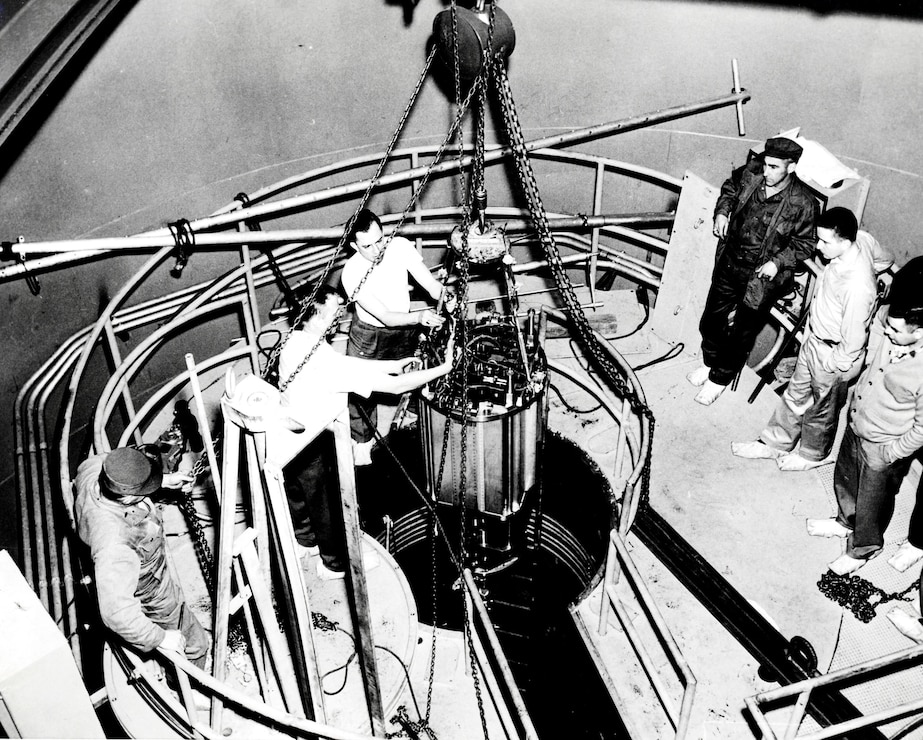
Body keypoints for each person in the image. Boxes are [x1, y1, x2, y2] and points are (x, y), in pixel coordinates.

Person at [279, 283, 454, 580]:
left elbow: (347, 364)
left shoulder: (299, 341)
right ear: (317, 316)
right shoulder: (316, 358)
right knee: (330, 503)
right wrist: (443, 369)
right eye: (335, 312)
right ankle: (334, 565)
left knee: (302, 496)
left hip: (290, 438)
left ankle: (305, 543)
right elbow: (395, 388)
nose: (338, 319)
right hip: (315, 441)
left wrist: (394, 364)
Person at [732, 208, 877, 470]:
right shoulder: (862, 241)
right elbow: (883, 256)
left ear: (845, 242)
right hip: (815, 341)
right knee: (795, 394)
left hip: (833, 353)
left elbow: (855, 339)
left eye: (825, 242)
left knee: (821, 410)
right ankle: (775, 443)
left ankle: (812, 455)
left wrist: (835, 363)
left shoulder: (858, 285)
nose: (818, 247)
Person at [806, 257, 923, 575]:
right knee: (846, 479)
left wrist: (892, 454)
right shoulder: (890, 318)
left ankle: (863, 546)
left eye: (896, 330)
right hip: (857, 424)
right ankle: (845, 521)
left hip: (885, 445)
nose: (887, 329)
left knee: (873, 501)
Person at [687, 136, 818, 406]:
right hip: (730, 264)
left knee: (742, 334)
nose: (765, 171)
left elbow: (806, 243)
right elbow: (730, 188)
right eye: (765, 164)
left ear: (790, 168)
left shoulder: (803, 203)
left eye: (773, 167)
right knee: (710, 321)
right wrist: (722, 212)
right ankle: (712, 363)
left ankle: (720, 379)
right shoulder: (753, 172)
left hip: (760, 279)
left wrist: (779, 261)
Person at [73, 446, 208, 667]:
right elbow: (117, 613)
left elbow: (105, 461)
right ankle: (190, 689)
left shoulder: (95, 470)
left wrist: (161, 480)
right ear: (127, 498)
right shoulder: (114, 545)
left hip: (145, 560)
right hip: (152, 593)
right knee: (195, 644)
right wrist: (160, 638)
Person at [340, 208, 454, 458]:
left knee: (411, 368)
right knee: (361, 389)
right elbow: (385, 317)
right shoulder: (351, 273)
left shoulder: (400, 247)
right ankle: (361, 442)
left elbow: (431, 285)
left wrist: (447, 296)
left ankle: (414, 409)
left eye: (380, 239)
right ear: (353, 245)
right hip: (371, 334)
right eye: (368, 245)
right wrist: (420, 318)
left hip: (404, 330)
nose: (377, 249)